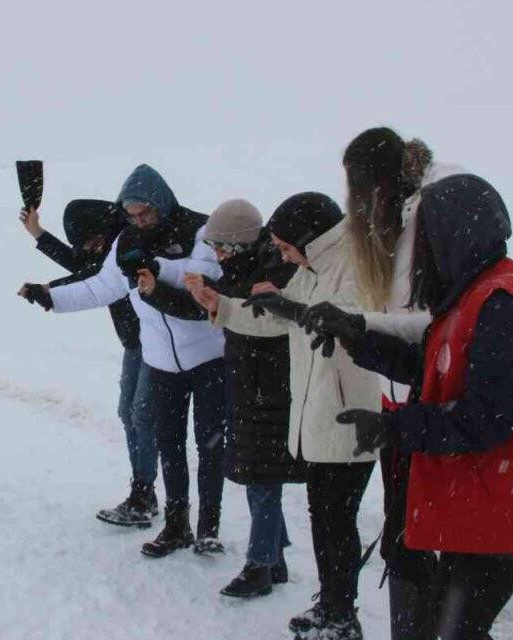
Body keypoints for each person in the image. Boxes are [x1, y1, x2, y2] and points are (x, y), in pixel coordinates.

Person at [304, 174, 513, 639]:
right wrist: (357, 335)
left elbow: (489, 418)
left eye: (427, 237)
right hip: (491, 502)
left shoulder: (499, 304)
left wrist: (396, 427)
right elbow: (430, 363)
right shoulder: (471, 291)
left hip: (511, 506)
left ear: (453, 235)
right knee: (454, 627)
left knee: (457, 631)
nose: (420, 253)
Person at [189, 193, 379, 640]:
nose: (283, 255)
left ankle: (342, 616)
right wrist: (223, 304)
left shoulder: (350, 270)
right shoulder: (312, 269)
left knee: (337, 522)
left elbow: (348, 330)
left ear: (309, 239)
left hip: (349, 415)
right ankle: (331, 604)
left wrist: (288, 307)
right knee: (323, 517)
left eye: (286, 246)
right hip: (315, 412)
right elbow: (277, 320)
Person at [20, 164, 228, 558]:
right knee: (169, 444)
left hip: (207, 359)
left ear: (162, 202)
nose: (139, 220)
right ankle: (176, 524)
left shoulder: (201, 230)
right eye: (132, 214)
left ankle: (209, 528)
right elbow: (102, 285)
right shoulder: (126, 240)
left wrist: (155, 266)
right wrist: (52, 299)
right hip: (161, 360)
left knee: (209, 442)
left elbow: (201, 280)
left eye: (145, 212)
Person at [327, 126, 465, 638]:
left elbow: (432, 324)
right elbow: (399, 316)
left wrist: (361, 325)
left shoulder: (426, 221)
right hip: (398, 402)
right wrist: (353, 323)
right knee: (404, 537)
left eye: (359, 190)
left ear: (379, 185)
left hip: (427, 404)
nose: (356, 204)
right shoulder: (395, 225)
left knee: (414, 542)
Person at [140, 199, 304, 597]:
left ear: (240, 243)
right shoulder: (242, 265)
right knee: (258, 469)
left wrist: (214, 302)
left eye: (221, 247)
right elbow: (216, 310)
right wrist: (164, 293)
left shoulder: (272, 269)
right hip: (249, 378)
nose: (215, 255)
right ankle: (274, 557)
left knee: (262, 474)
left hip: (271, 384)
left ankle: (260, 565)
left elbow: (266, 322)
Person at [18, 199, 155, 526]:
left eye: (92, 241)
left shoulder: (130, 242)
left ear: (103, 229)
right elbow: (84, 264)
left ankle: (143, 493)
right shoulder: (105, 245)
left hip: (158, 344)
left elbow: (95, 275)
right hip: (135, 346)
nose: (90, 249)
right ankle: (144, 493)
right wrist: (39, 234)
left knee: (143, 416)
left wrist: (49, 289)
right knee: (129, 414)